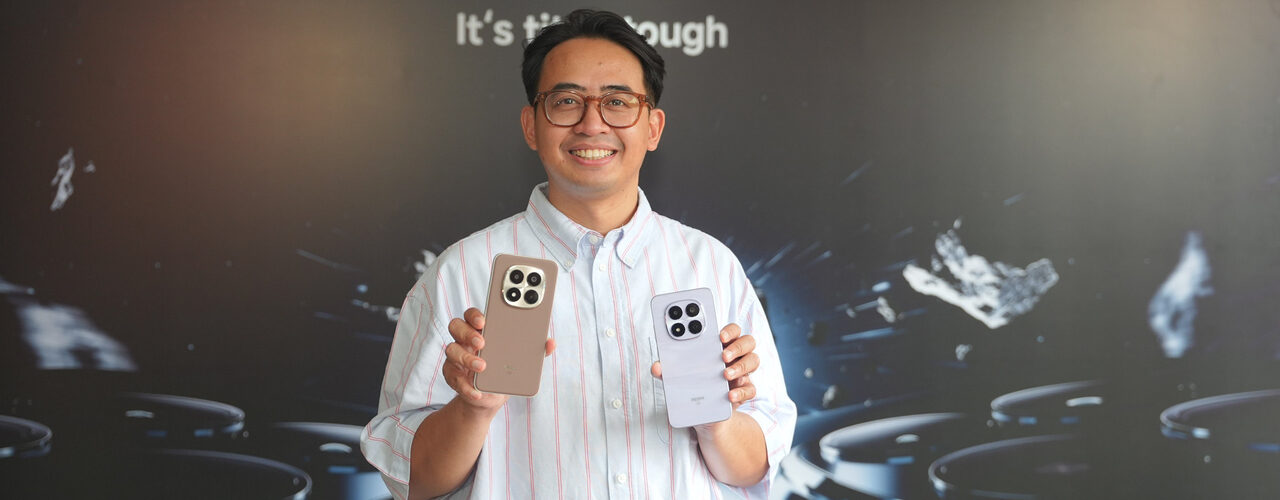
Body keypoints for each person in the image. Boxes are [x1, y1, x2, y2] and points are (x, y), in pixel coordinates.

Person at [361, 9, 796, 500]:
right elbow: (409, 479)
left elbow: (752, 468)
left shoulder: (711, 265)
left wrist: (716, 420)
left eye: (618, 102)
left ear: (653, 128)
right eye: (566, 101)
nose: (592, 124)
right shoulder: (461, 272)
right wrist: (471, 408)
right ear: (531, 125)